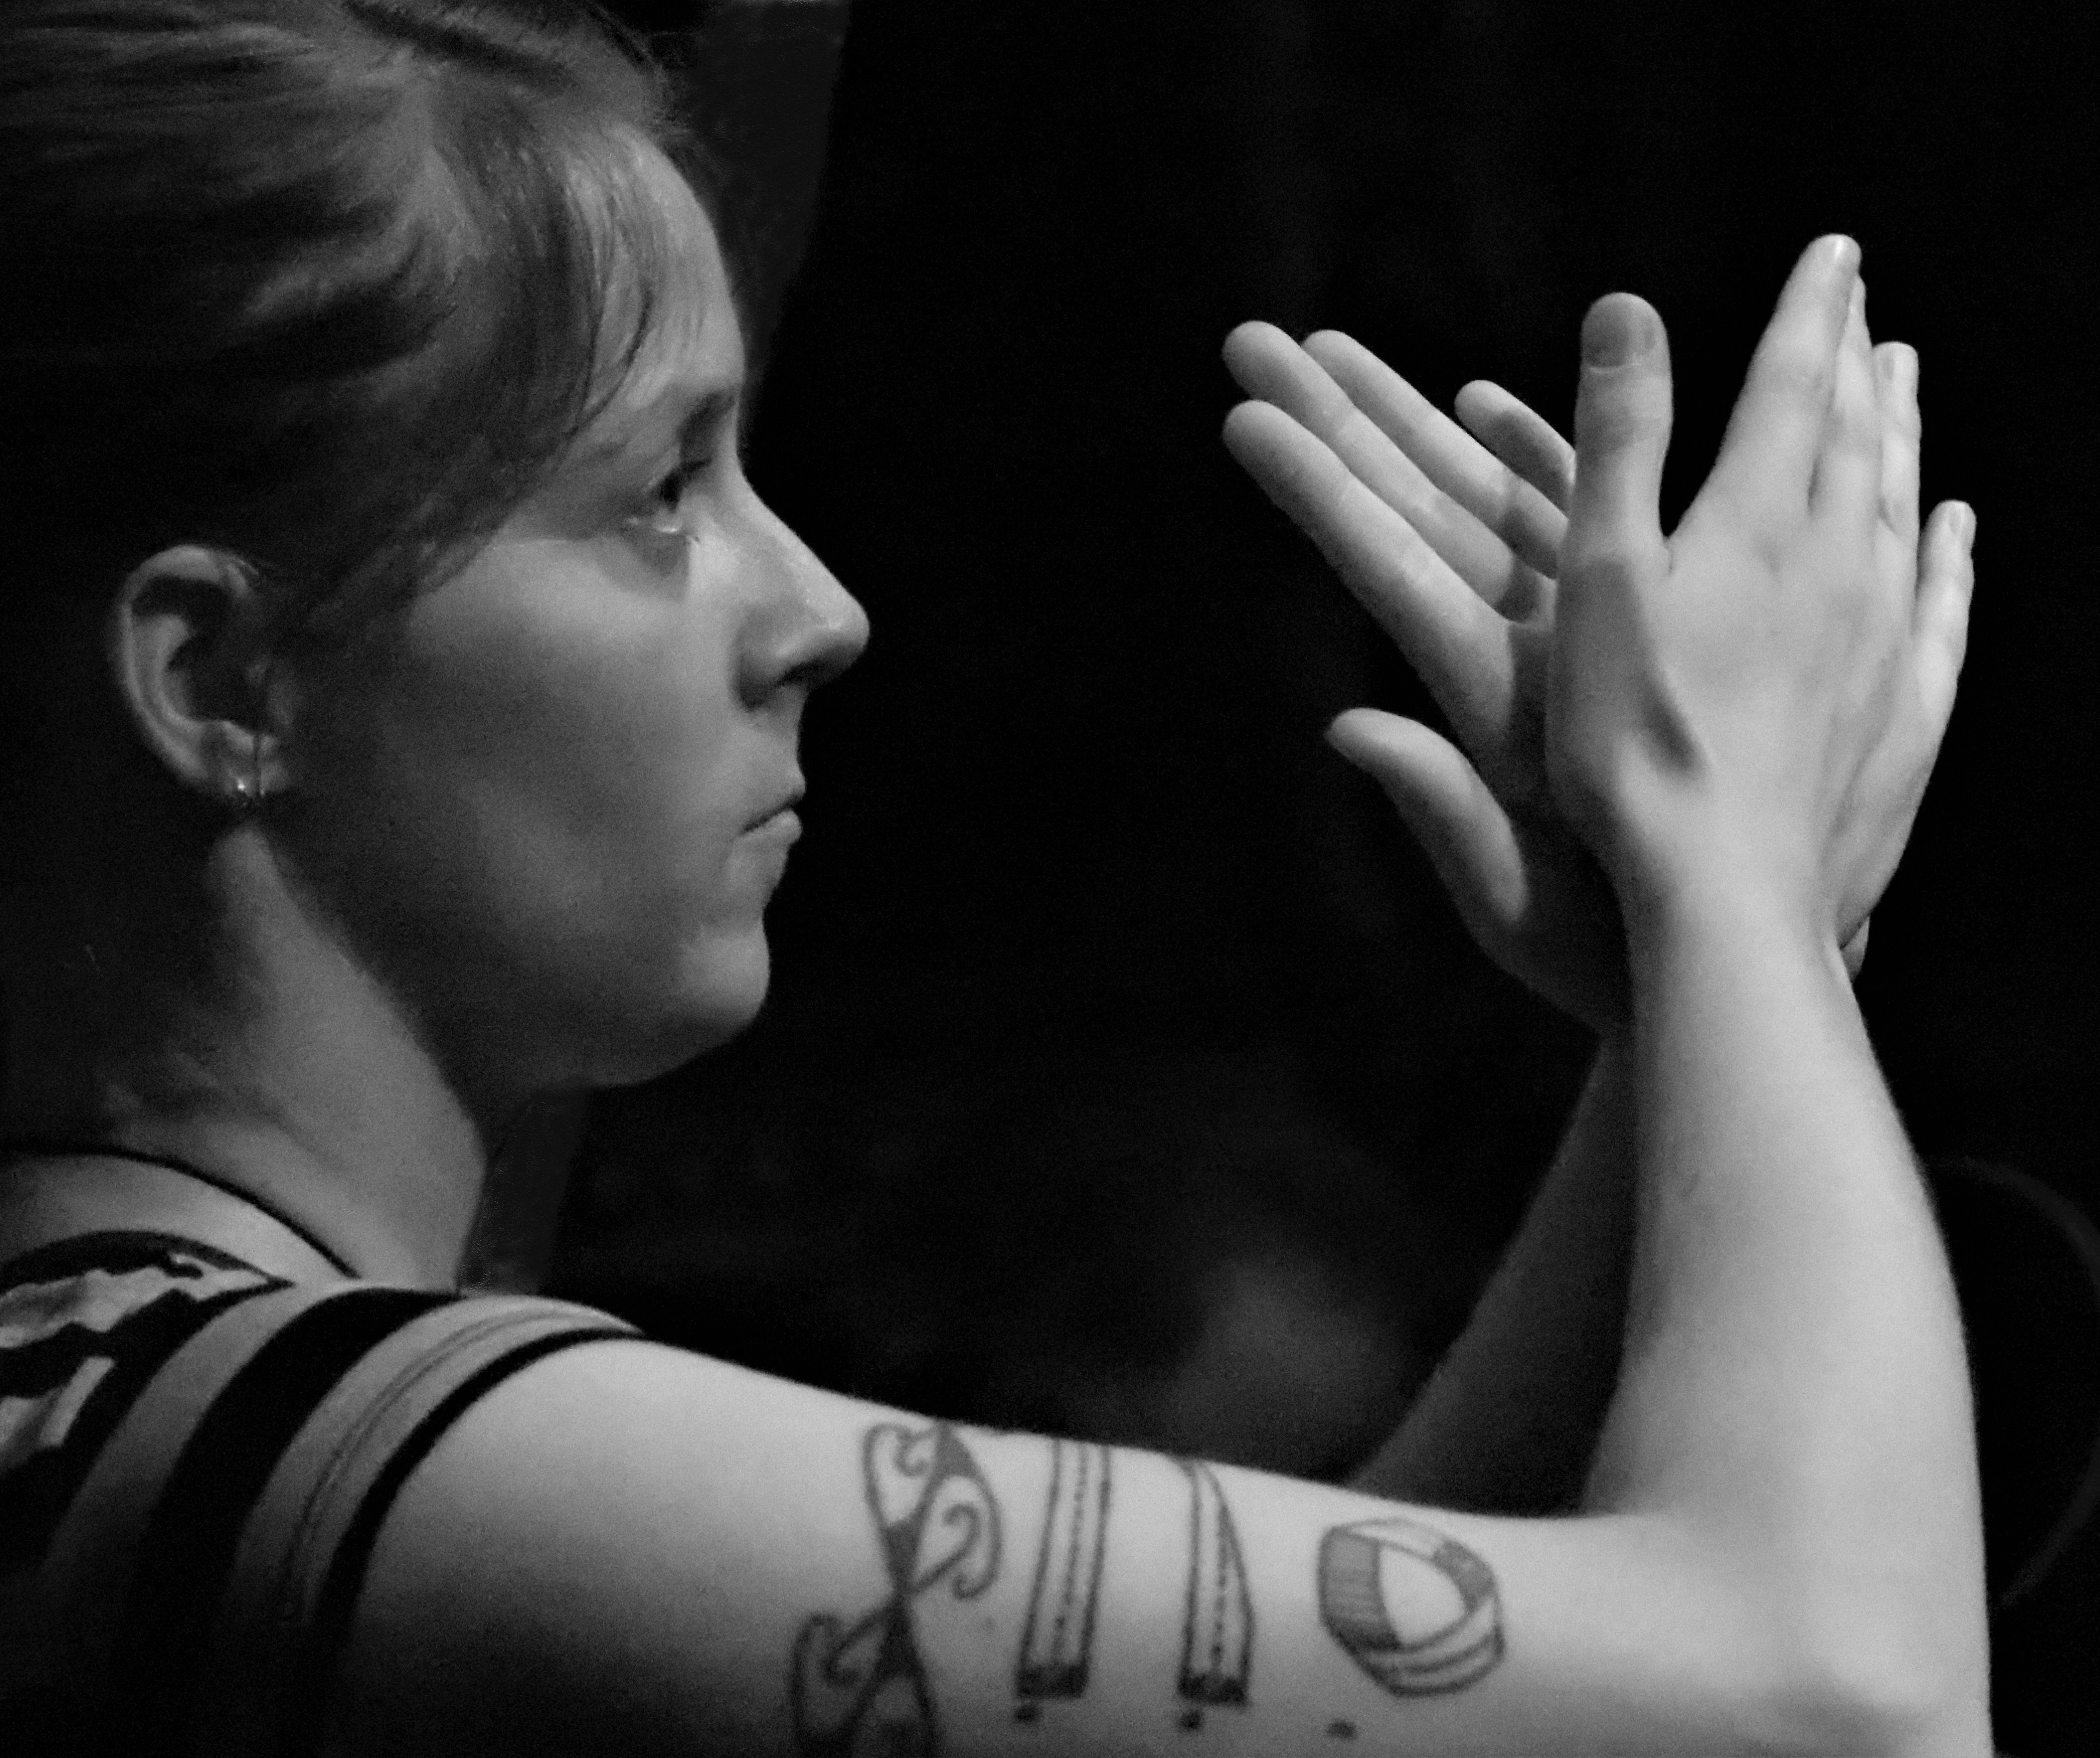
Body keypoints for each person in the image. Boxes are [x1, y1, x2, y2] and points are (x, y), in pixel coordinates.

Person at [0, 2, 1987, 1752]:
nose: (819, 609)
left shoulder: (138, 1420)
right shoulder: (235, 1440)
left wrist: (1703, 988)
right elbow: (1832, 1711)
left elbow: (1369, 1703)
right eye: (660, 496)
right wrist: (1730, 877)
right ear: (226, 677)